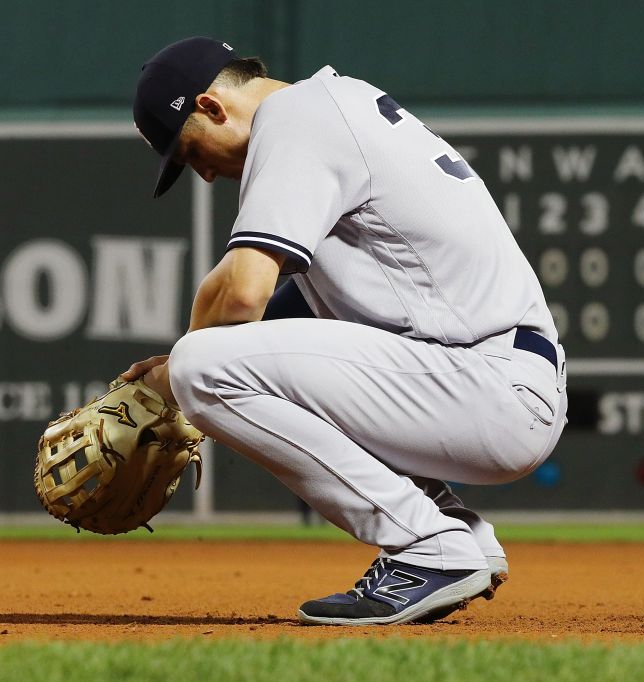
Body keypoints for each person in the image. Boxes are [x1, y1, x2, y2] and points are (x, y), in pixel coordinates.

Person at [124, 37, 567, 626]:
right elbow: (277, 325)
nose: (202, 174)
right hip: (490, 377)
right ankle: (454, 532)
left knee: (199, 367)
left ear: (209, 105)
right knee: (208, 362)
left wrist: (170, 382)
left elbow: (243, 296)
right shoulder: (332, 108)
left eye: (189, 153)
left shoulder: (296, 120)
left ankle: (430, 547)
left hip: (486, 380)